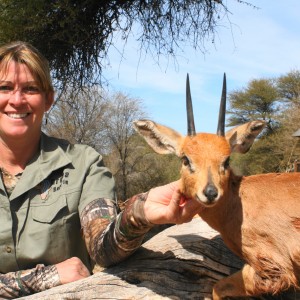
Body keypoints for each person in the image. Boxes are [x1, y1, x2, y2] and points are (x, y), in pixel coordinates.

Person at [0, 41, 202, 299]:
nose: (16, 100)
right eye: (5, 88)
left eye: (30, 89)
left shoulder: (82, 164)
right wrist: (45, 277)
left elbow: (103, 248)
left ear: (48, 99)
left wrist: (140, 214)